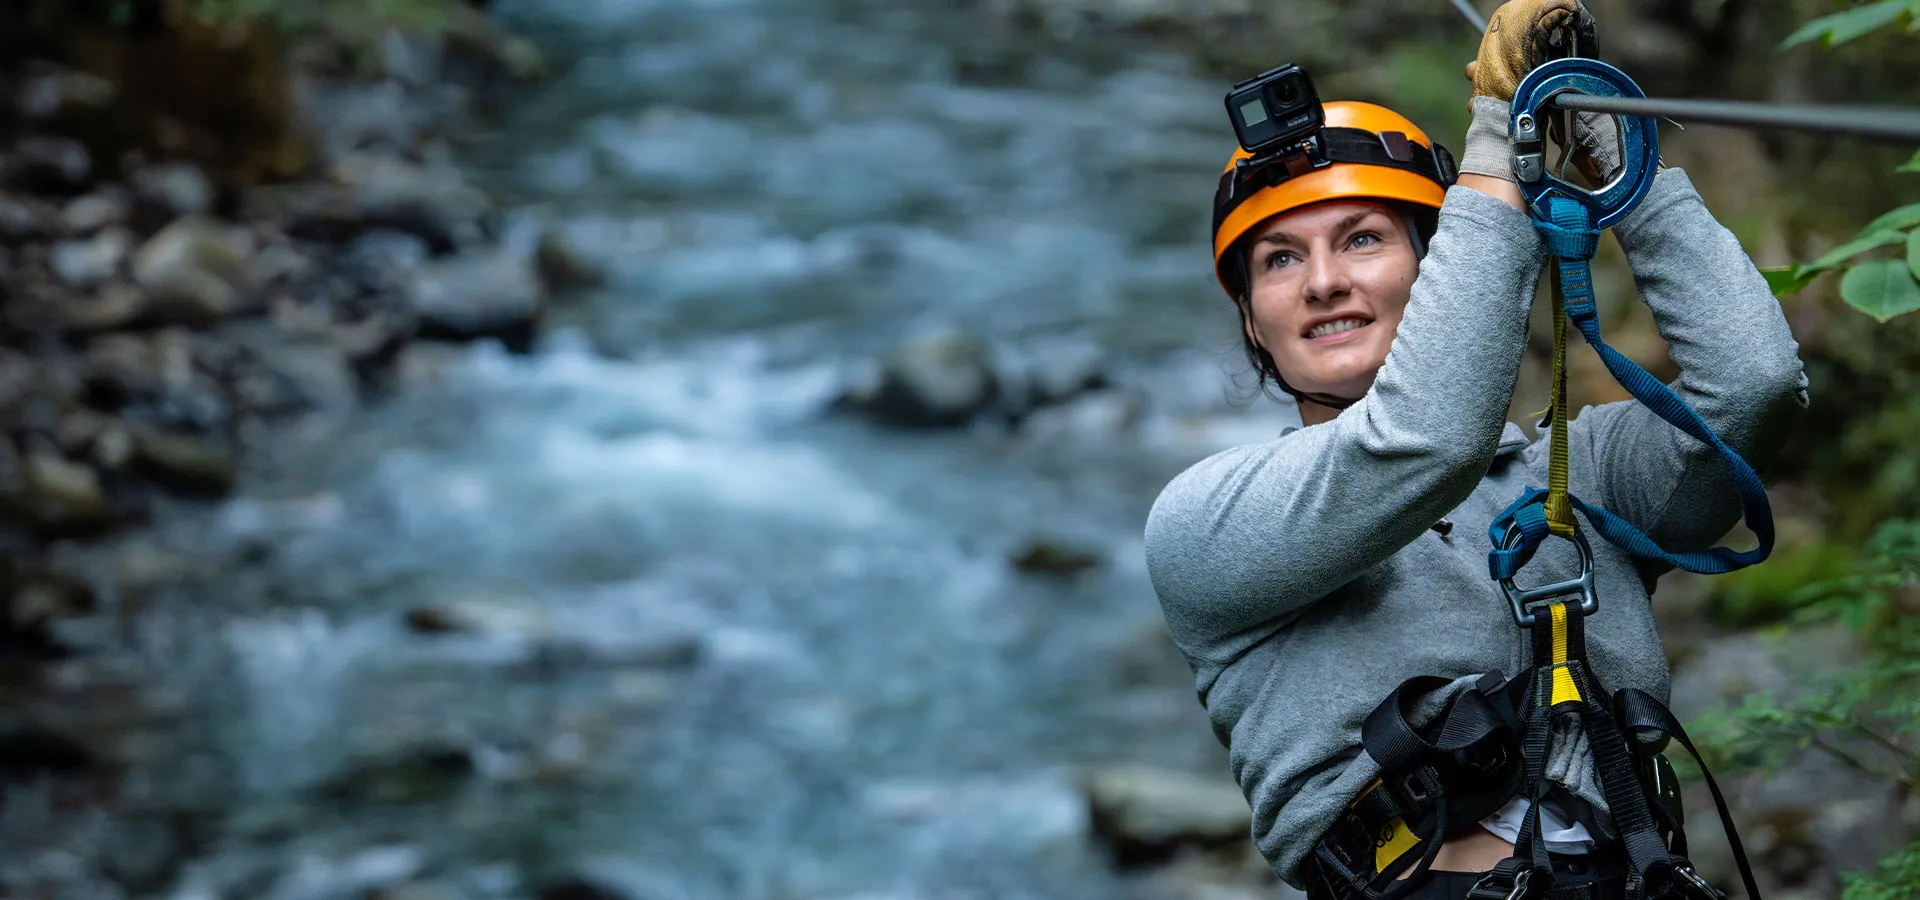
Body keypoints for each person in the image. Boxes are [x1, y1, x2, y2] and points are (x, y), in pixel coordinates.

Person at [1142, 1, 1810, 898]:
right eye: (1280, 260)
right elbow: (1427, 441)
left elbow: (1753, 386)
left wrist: (1619, 161)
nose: (1324, 282)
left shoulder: (1578, 478)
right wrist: (1500, 137)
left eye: (1362, 239)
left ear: (1439, 264)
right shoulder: (1205, 524)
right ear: (1253, 322)